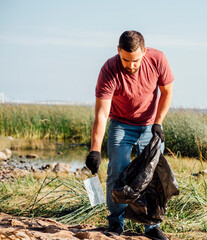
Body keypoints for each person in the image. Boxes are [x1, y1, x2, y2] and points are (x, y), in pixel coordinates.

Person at [85, 30, 174, 240]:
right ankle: (116, 222)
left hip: (150, 124)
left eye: (135, 60)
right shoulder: (109, 69)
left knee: (151, 176)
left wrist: (158, 123)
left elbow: (167, 92)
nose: (131, 65)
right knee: (117, 171)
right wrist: (94, 150)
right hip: (121, 125)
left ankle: (151, 226)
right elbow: (101, 113)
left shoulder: (157, 59)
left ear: (144, 51)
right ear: (118, 51)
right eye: (126, 59)